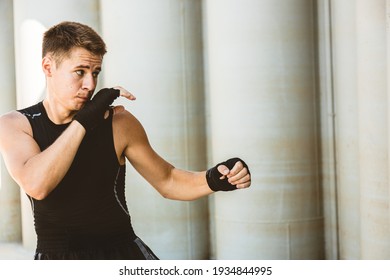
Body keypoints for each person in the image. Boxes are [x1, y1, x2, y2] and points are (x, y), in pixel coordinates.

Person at [0, 21, 251, 260]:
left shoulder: (118, 123)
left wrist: (215, 179)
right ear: (48, 67)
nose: (90, 84)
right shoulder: (16, 125)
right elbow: (37, 184)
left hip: (121, 252)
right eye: (80, 72)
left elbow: (168, 180)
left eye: (95, 72)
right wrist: (85, 121)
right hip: (57, 258)